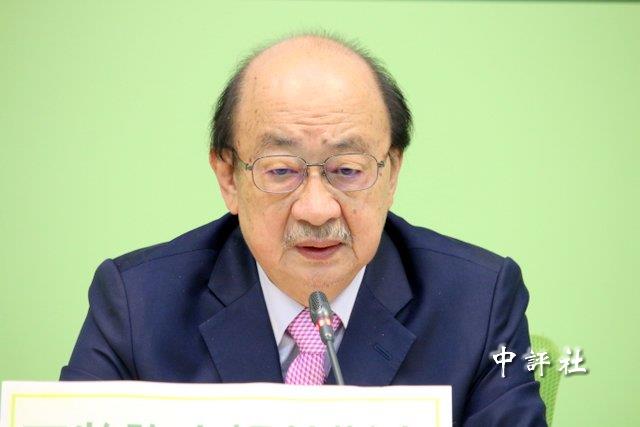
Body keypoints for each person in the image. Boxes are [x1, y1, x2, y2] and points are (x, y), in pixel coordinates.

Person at [61, 34, 547, 425]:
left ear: (391, 173)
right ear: (228, 177)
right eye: (280, 170)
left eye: (348, 170)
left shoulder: (477, 301)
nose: (316, 210)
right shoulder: (138, 303)